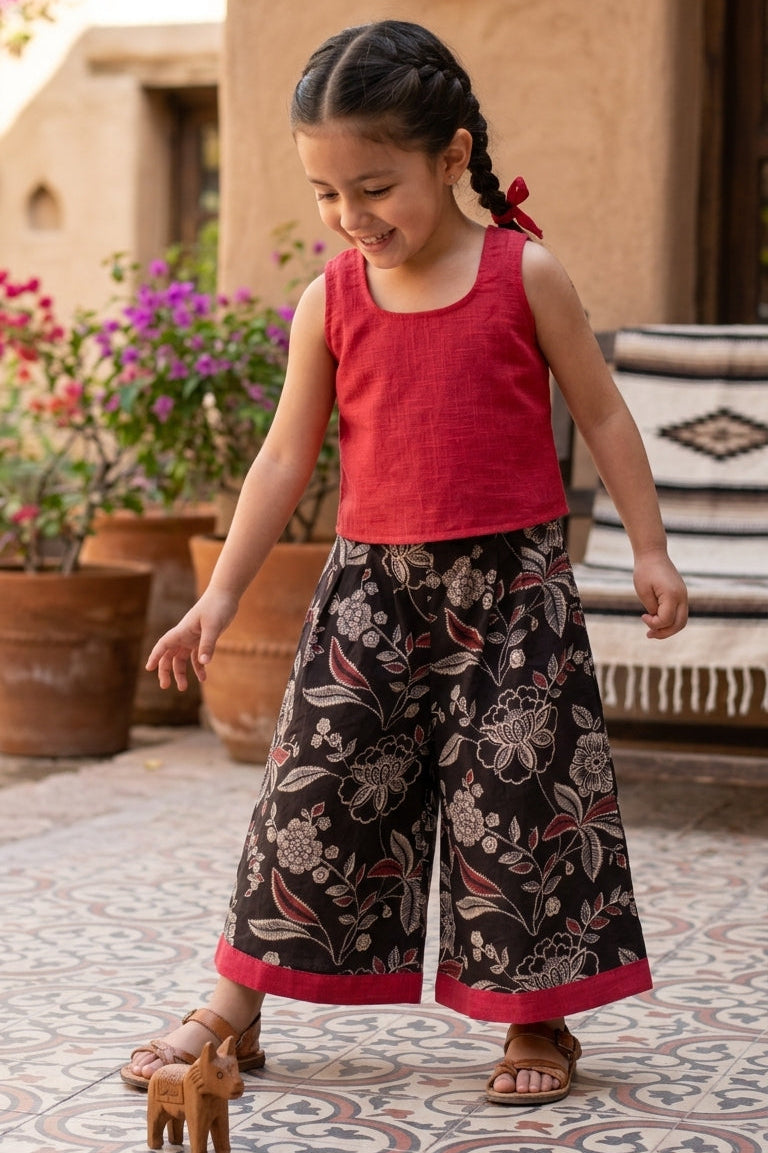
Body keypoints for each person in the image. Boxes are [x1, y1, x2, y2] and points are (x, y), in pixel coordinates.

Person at [121, 19, 687, 1106]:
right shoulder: (329, 301)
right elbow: (285, 455)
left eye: (374, 186)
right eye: (328, 194)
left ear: (453, 155)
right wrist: (221, 593)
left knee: (516, 804)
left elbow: (606, 416)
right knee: (312, 792)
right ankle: (236, 1006)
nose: (351, 217)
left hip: (513, 595)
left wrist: (649, 547)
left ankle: (537, 1020)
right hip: (370, 598)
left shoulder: (527, 274)